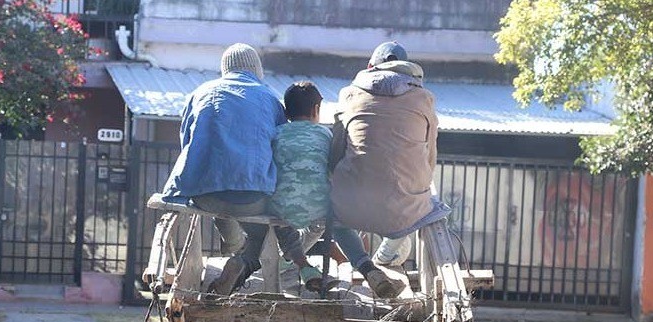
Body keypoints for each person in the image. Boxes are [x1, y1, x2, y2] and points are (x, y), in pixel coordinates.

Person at [160, 43, 329, 294]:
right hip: (253, 196)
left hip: (206, 196)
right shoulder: (270, 98)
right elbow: (279, 147)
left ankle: (233, 249)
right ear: (256, 69)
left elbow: (186, 141)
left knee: (222, 202)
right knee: (261, 234)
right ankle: (242, 261)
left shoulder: (200, 93)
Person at [270, 81, 403, 301]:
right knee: (339, 224)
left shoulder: (276, 134)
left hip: (281, 209)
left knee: (280, 219)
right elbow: (335, 170)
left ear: (286, 111)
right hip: (320, 209)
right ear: (316, 110)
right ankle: (368, 268)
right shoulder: (325, 136)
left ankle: (304, 267)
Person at [329, 41, 451, 275]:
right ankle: (385, 257)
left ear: (369, 66)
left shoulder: (349, 94)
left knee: (332, 216)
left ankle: (364, 265)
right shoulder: (424, 99)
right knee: (428, 206)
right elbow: (430, 158)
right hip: (403, 211)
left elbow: (335, 151)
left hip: (351, 205)